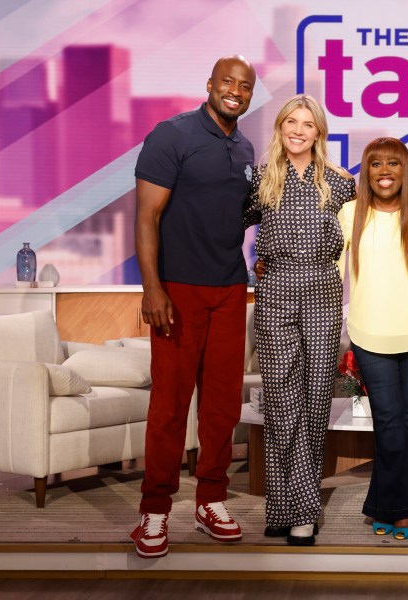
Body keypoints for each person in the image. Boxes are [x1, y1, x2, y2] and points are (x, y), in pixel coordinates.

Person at [131, 55, 256, 559]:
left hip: (229, 290)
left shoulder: (245, 147)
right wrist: (152, 288)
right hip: (177, 289)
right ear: (209, 85)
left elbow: (244, 219)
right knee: (169, 405)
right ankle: (154, 511)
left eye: (245, 86)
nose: (236, 90)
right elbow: (146, 217)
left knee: (222, 407)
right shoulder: (172, 135)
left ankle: (211, 501)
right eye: (227, 81)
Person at [243, 94, 355, 546]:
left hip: (324, 289)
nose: (299, 129)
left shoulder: (340, 182)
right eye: (292, 121)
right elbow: (223, 225)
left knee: (312, 401)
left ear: (319, 132)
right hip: (274, 291)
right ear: (280, 127)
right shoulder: (261, 180)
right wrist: (253, 269)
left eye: (308, 124)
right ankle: (287, 506)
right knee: (280, 399)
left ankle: (295, 507)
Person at [336, 138, 408, 541]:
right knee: (386, 421)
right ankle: (405, 507)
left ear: (405, 169)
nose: (384, 170)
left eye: (393, 163)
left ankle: (384, 505)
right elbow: (330, 270)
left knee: (404, 421)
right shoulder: (350, 213)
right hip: (369, 334)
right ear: (366, 171)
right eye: (376, 163)